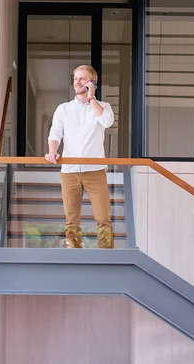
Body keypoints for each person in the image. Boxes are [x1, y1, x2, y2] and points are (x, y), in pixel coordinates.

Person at [44, 65, 115, 249]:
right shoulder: (64, 109)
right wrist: (52, 151)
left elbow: (107, 122)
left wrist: (91, 98)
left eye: (82, 79)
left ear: (92, 82)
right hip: (69, 171)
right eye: (75, 78)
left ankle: (106, 259)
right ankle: (74, 256)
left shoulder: (103, 107)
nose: (77, 82)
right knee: (72, 220)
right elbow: (55, 133)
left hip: (95, 171)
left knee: (103, 218)